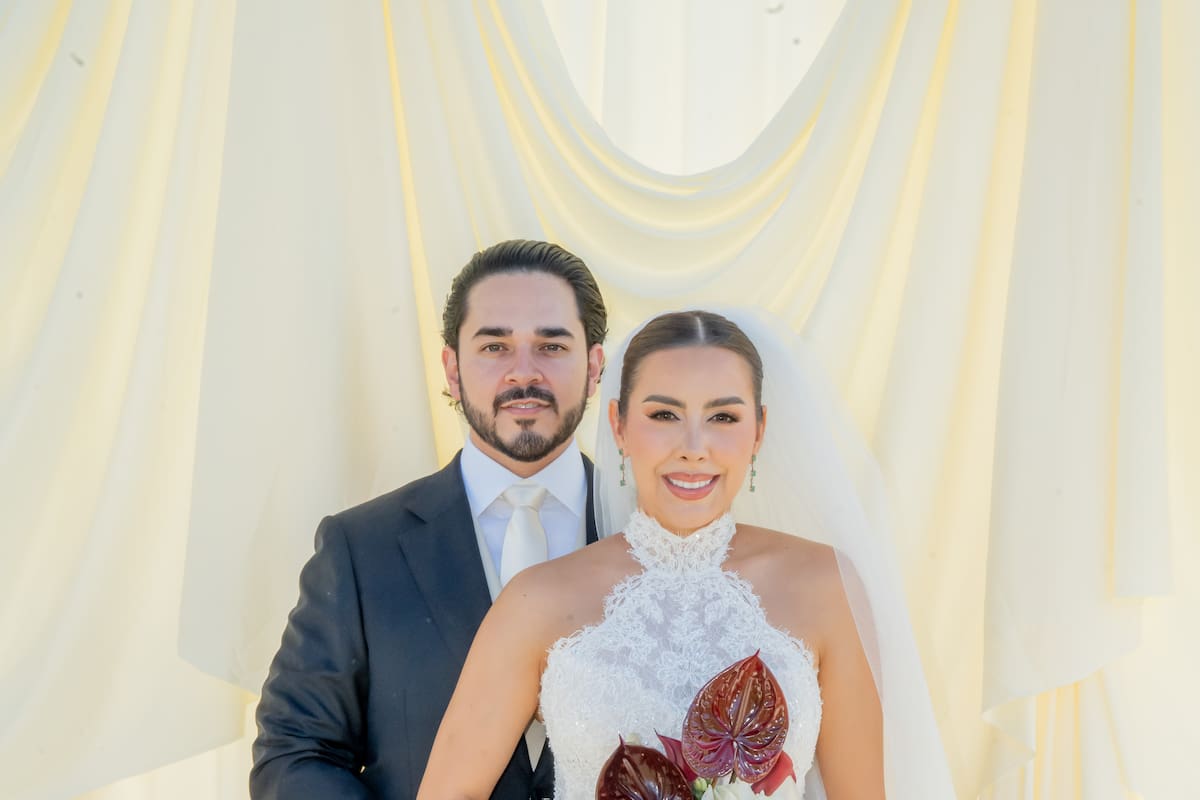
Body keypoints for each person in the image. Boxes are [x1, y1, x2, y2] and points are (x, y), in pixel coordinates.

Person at [417, 310, 955, 799]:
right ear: (620, 427)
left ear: (759, 432)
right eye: (664, 415)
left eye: (723, 417)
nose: (693, 445)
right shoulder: (536, 600)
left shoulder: (825, 583)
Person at [250, 240, 607, 799]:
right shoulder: (359, 550)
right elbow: (295, 752)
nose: (523, 373)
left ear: (595, 365)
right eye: (494, 346)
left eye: (551, 345)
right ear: (452, 368)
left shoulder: (650, 536)